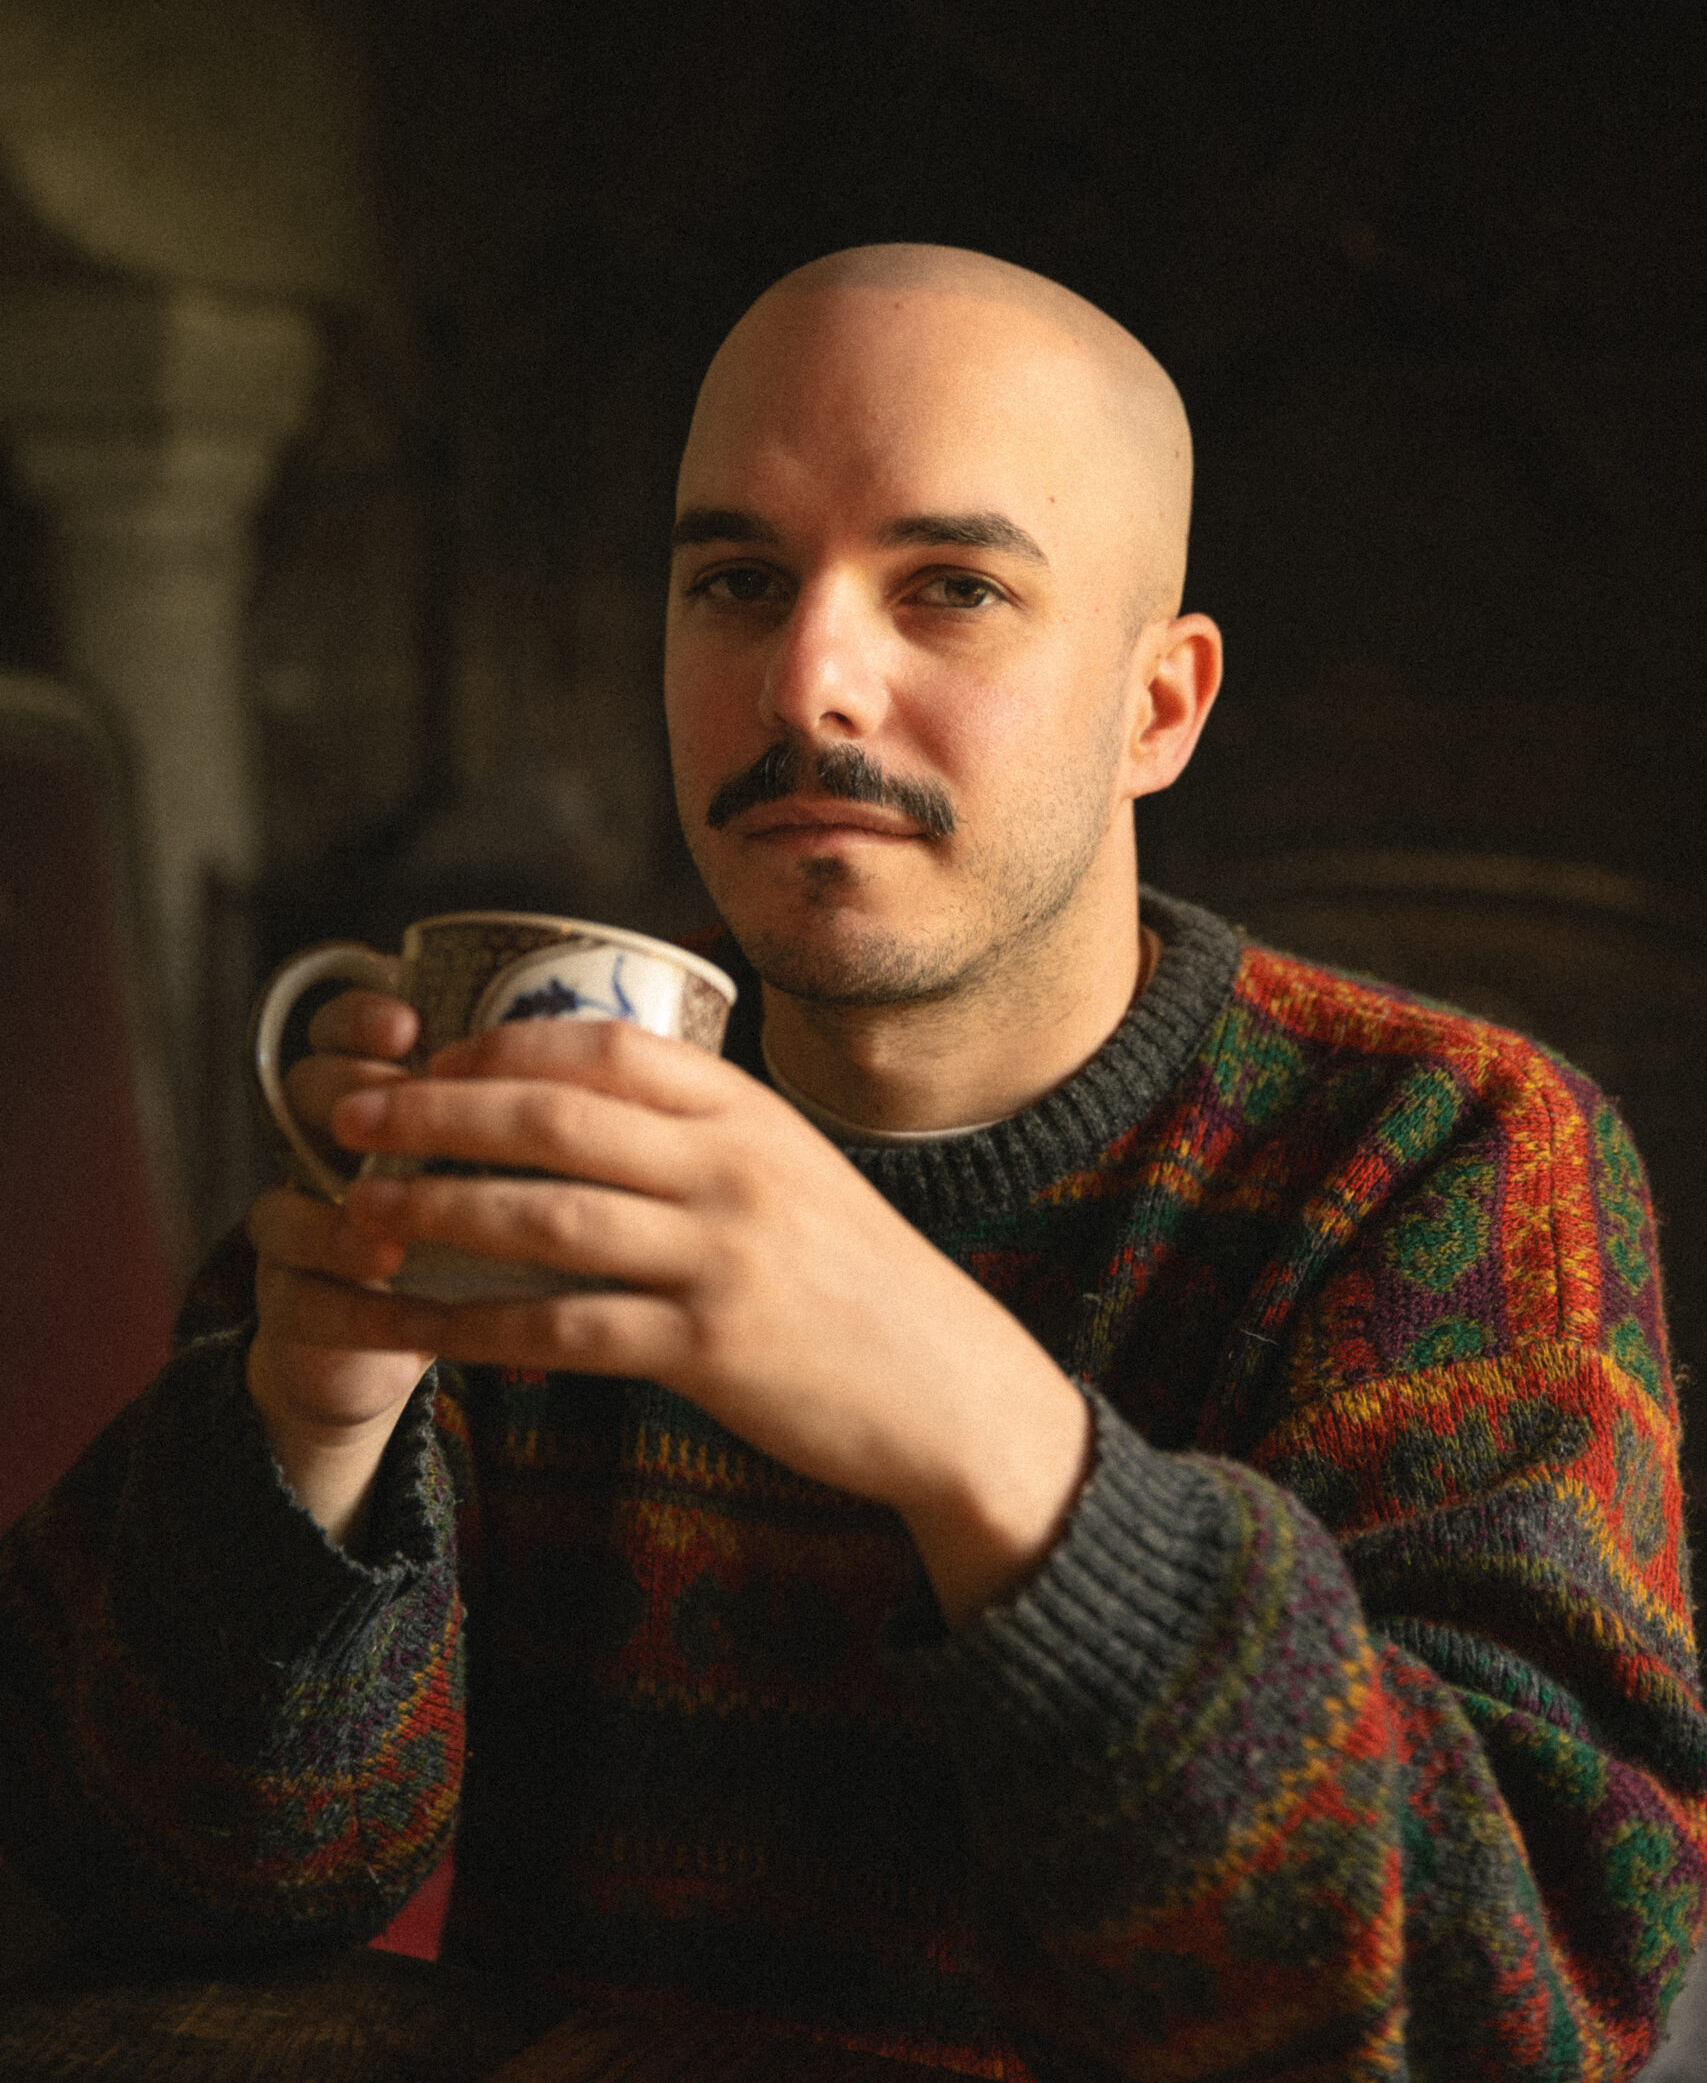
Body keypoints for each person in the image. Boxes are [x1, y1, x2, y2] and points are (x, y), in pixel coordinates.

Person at [2, 245, 1703, 2079]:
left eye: (952, 588)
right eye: (736, 582)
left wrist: (986, 1439)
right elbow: (154, 1890)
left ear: (1160, 707)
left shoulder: (1444, 1157)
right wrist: (308, 1440)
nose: (807, 680)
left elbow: (1517, 2012)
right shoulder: (537, 1118)